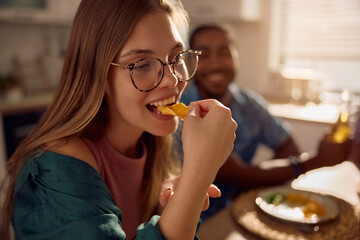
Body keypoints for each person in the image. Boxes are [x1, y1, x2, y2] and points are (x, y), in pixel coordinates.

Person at [0, 1, 237, 239]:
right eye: (142, 64)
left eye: (177, 57)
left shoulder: (151, 143)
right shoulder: (58, 170)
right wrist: (199, 174)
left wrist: (172, 211)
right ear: (97, 74)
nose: (172, 81)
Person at [174, 23, 351, 220]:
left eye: (224, 53)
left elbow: (288, 146)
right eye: (204, 55)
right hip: (193, 221)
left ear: (236, 57)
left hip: (242, 213)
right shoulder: (182, 111)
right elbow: (234, 173)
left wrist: (254, 184)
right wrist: (314, 161)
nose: (216, 64)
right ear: (190, 63)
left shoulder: (250, 104)